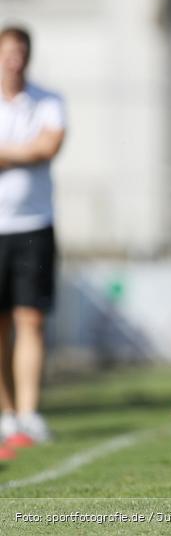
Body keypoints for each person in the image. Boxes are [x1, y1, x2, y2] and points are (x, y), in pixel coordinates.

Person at [0, 26, 66, 447]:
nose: (15, 59)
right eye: (9, 51)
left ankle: (29, 413)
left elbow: (48, 147)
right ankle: (6, 414)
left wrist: (6, 153)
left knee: (31, 319)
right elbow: (34, 149)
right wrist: (25, 151)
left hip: (34, 225)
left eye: (21, 51)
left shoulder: (48, 101)